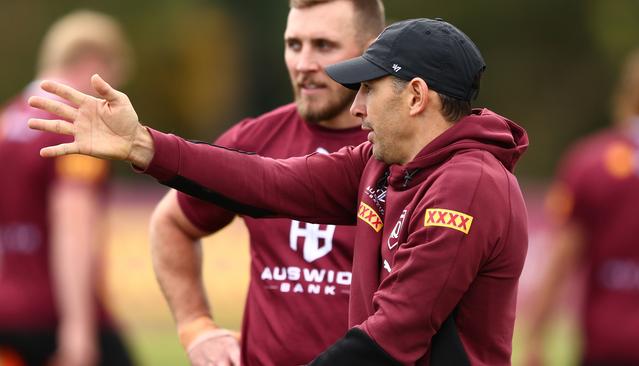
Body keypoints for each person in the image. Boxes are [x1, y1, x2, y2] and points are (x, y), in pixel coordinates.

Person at [27, 17, 530, 366]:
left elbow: (392, 337)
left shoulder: (469, 186)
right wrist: (144, 144)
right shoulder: (382, 162)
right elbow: (271, 182)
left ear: (417, 96)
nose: (356, 109)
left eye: (369, 90)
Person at [148, 1, 384, 365]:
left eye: (324, 45)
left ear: (372, 51)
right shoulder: (256, 140)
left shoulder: (400, 151)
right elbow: (171, 222)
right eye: (294, 45)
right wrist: (196, 327)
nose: (304, 64)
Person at [0, 10, 134, 366]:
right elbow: (73, 229)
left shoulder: (5, 123)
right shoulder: (73, 129)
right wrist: (78, 327)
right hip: (51, 313)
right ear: (94, 63)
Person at [524, 45, 639, 366]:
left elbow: (563, 257)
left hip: (610, 342)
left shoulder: (592, 161)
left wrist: (536, 335)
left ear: (628, 94)